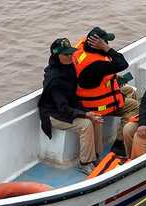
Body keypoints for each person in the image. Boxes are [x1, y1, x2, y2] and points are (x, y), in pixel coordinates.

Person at [38, 37, 103, 173]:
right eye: (66, 54)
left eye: (70, 53)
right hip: (54, 114)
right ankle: (84, 163)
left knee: (96, 119)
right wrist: (84, 114)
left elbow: (73, 97)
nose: (70, 56)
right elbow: (62, 108)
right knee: (86, 125)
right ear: (57, 55)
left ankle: (95, 156)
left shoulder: (69, 68)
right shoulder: (55, 79)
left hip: (67, 109)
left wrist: (87, 112)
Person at [72, 26, 141, 137]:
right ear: (97, 44)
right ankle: (120, 143)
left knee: (129, 90)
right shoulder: (96, 64)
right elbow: (122, 63)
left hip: (85, 98)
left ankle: (130, 126)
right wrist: (106, 48)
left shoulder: (82, 51)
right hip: (97, 107)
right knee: (136, 107)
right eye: (105, 42)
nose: (107, 43)